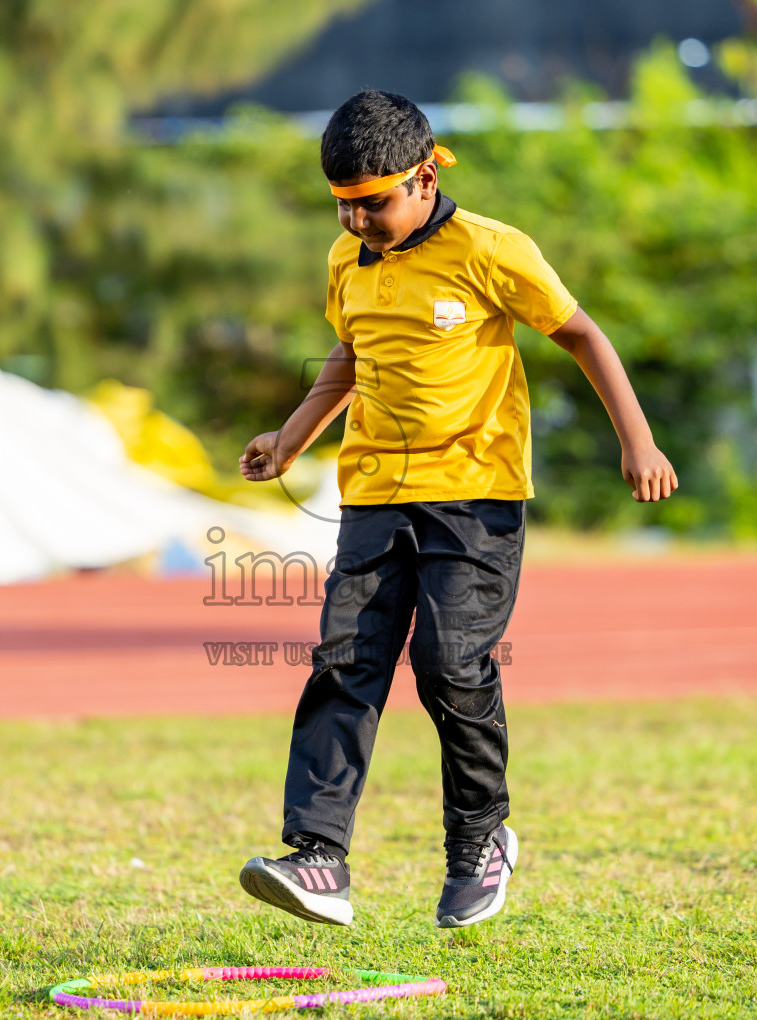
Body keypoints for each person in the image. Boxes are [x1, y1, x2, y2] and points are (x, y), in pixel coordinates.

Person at [236, 90, 677, 929]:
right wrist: (292, 438)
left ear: (427, 175)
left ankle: (480, 839)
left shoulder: (491, 250)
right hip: (374, 493)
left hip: (475, 496)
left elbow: (582, 333)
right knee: (346, 662)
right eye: (343, 203)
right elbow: (352, 354)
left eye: (374, 201)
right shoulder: (346, 259)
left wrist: (639, 441)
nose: (357, 219)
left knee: (448, 664)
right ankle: (320, 858)